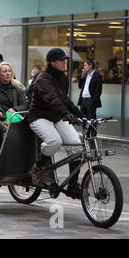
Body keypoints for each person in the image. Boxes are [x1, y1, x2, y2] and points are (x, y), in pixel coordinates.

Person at [28, 48, 83, 199]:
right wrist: (66, 114)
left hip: (57, 116)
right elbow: (52, 99)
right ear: (52, 62)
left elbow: (64, 100)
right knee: (54, 141)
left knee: (76, 146)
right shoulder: (42, 79)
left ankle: (73, 184)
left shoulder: (63, 78)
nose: (64, 63)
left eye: (65, 60)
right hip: (39, 116)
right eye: (61, 60)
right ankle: (37, 167)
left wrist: (79, 114)